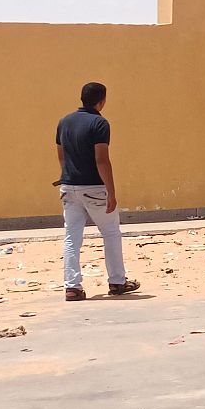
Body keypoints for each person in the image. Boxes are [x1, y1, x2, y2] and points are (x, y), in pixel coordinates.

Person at [55, 82, 139, 301]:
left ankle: (72, 287)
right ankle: (117, 282)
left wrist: (69, 174)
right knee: (110, 232)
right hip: (93, 187)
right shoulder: (99, 123)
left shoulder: (64, 122)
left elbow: (62, 156)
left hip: (68, 187)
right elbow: (102, 160)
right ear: (102, 100)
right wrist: (111, 192)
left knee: (72, 237)